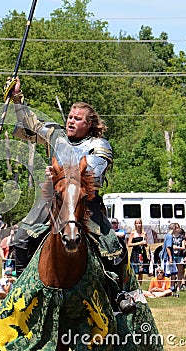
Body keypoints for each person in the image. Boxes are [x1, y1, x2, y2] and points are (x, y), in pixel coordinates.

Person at [8, 78, 126, 292]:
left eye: (77, 119)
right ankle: (21, 287)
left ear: (88, 124)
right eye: (70, 117)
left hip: (84, 204)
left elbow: (94, 177)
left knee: (113, 248)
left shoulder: (98, 145)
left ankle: (118, 294)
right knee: (20, 239)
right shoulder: (56, 135)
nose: (71, 121)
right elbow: (29, 124)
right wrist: (16, 98)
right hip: (53, 201)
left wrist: (59, 175)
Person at [128, 218, 149, 286]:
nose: (138, 225)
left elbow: (146, 244)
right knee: (134, 270)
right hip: (135, 253)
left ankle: (140, 285)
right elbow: (129, 244)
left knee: (141, 271)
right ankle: (134, 285)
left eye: (139, 223)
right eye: (137, 223)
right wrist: (139, 243)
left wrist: (145, 243)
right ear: (135, 224)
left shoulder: (144, 233)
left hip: (142, 253)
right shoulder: (133, 233)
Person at [160, 224, 178, 288]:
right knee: (166, 273)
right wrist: (170, 257)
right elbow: (168, 247)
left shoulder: (167, 235)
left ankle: (172, 287)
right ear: (174, 229)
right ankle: (165, 287)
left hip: (170, 257)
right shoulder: (169, 236)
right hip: (167, 258)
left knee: (173, 271)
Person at [172, 227, 186, 291]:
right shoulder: (171, 236)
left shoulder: (182, 237)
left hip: (180, 256)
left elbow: (183, 247)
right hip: (172, 256)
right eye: (176, 228)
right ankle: (172, 286)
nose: (178, 229)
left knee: (180, 272)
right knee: (172, 272)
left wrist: (176, 247)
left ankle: (178, 286)